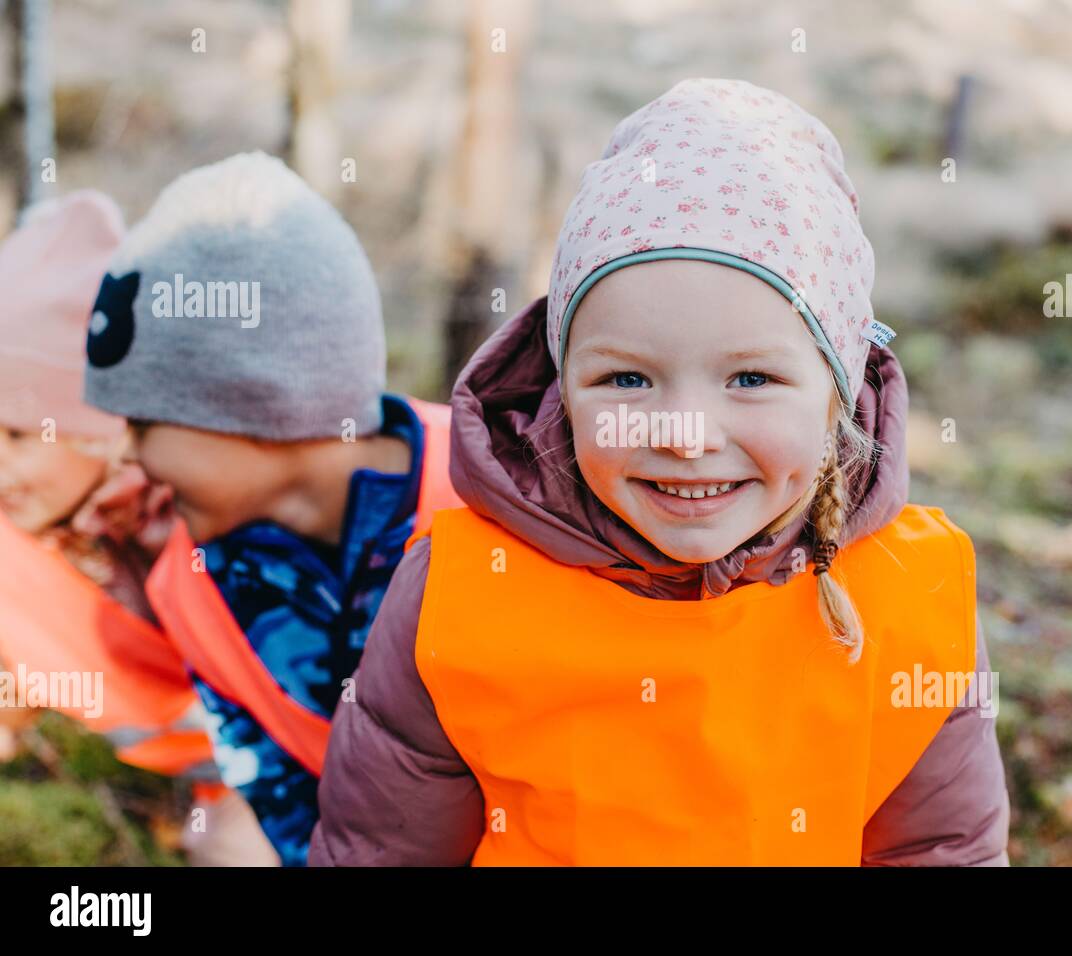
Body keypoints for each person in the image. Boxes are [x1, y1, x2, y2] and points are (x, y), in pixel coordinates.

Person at [310, 78, 1010, 866]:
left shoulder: (913, 595)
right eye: (627, 380)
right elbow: (381, 850)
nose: (685, 435)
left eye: (751, 380)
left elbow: (941, 848)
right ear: (560, 386)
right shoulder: (464, 592)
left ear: (836, 390)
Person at [81, 154, 461, 866]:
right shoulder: (192, 587)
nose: (127, 457)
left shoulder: (493, 499)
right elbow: (283, 797)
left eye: (141, 420)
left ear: (254, 404)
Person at [0, 190, 274, 864]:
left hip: (311, 777)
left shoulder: (207, 515)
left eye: (16, 434)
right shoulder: (34, 542)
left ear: (100, 430)